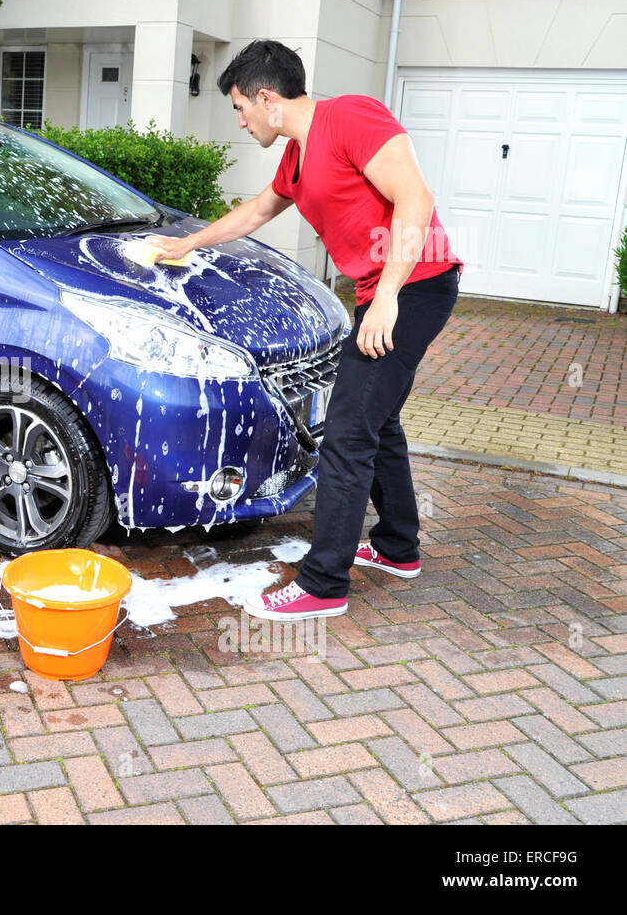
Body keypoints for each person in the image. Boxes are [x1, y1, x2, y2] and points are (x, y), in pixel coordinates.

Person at [145, 39, 462, 622]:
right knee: (377, 420)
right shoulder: (296, 154)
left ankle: (322, 586)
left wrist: (388, 294)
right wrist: (189, 242)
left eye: (240, 107)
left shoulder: (351, 117)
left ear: (268, 98)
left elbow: (415, 196)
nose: (239, 121)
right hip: (388, 290)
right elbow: (260, 210)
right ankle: (398, 547)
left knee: (346, 432)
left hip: (415, 286)